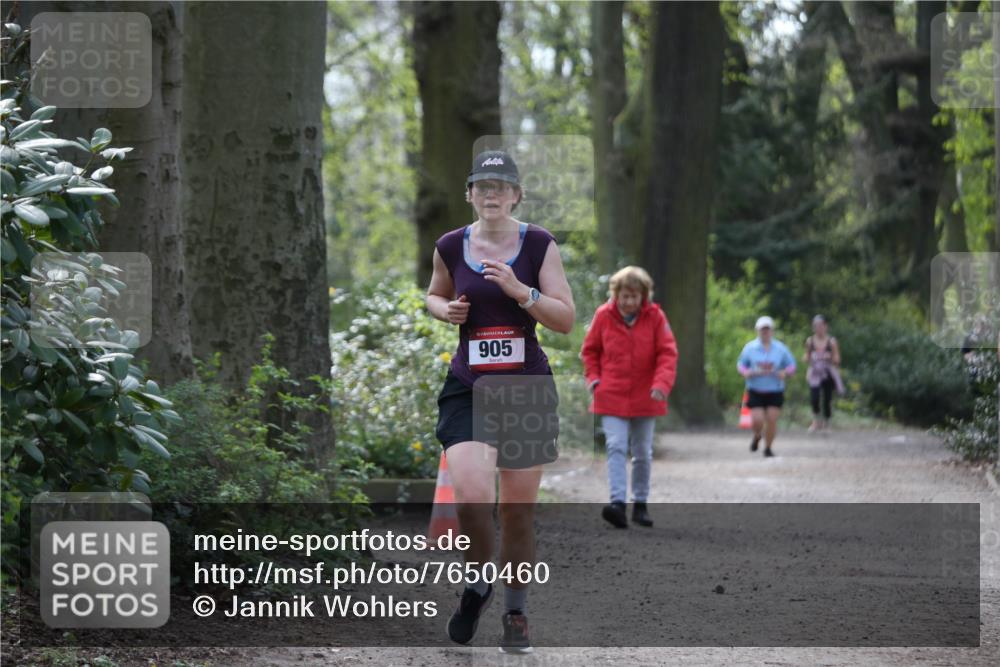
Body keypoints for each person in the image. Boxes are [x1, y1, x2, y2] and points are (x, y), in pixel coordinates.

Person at [426, 150, 575, 654]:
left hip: (526, 387)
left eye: (501, 186)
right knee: (471, 495)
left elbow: (564, 319)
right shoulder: (449, 245)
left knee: (516, 511)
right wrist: (444, 309)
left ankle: (515, 609)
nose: (491, 194)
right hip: (469, 385)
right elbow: (433, 294)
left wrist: (520, 291)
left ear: (515, 195)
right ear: (469, 194)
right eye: (481, 186)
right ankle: (477, 584)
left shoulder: (538, 244)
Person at [580, 266, 678, 529]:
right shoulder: (603, 316)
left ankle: (641, 503)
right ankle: (617, 504)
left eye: (635, 296)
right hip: (610, 394)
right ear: (616, 294)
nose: (629, 302)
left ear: (643, 296)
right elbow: (589, 351)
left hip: (647, 395)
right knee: (615, 446)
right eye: (625, 296)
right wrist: (594, 380)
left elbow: (667, 354)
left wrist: (661, 384)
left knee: (642, 452)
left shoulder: (656, 317)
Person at [737, 316, 796, 457]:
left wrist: (785, 372)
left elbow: (792, 365)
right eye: (762, 329)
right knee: (757, 420)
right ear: (758, 330)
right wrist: (746, 372)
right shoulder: (750, 348)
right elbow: (741, 364)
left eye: (768, 329)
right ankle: (757, 435)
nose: (765, 332)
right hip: (755, 388)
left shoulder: (781, 349)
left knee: (771, 419)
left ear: (772, 331)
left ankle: (768, 448)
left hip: (775, 389)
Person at [803, 314, 844, 432]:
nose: (819, 328)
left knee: (827, 398)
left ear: (826, 326)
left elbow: (837, 359)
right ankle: (816, 421)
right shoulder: (810, 341)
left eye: (821, 325)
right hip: (815, 373)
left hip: (827, 372)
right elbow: (807, 355)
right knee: (814, 397)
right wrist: (807, 358)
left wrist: (829, 358)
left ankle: (827, 421)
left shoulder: (831, 341)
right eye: (816, 326)